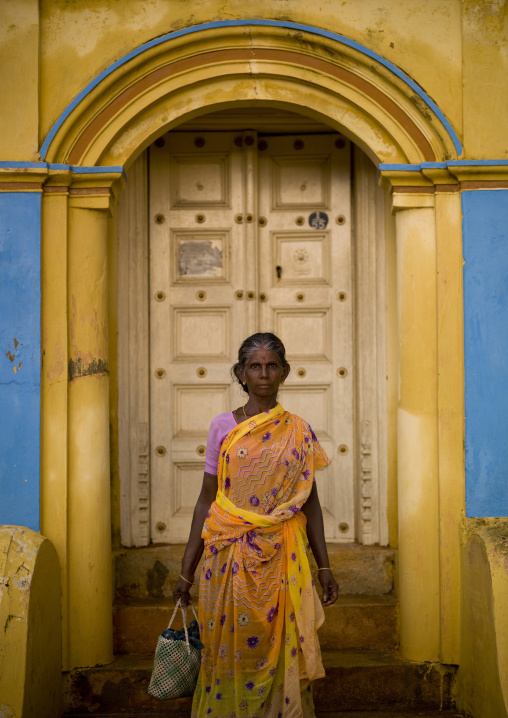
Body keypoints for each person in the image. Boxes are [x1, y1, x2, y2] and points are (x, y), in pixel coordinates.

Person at [173, 332, 339, 718]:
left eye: (271, 366)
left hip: (283, 556)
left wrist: (324, 566)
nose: (263, 374)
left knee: (280, 647)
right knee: (228, 649)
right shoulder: (221, 427)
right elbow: (206, 499)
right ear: (241, 374)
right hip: (227, 557)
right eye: (254, 366)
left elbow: (308, 501)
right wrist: (186, 572)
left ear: (284, 373)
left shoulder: (298, 430)